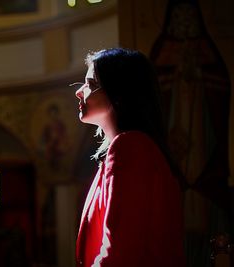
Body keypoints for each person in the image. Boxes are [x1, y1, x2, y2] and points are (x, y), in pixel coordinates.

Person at [73, 48, 186, 267]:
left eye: (91, 84)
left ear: (119, 94)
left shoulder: (131, 147)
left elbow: (119, 249)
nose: (79, 92)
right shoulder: (128, 148)